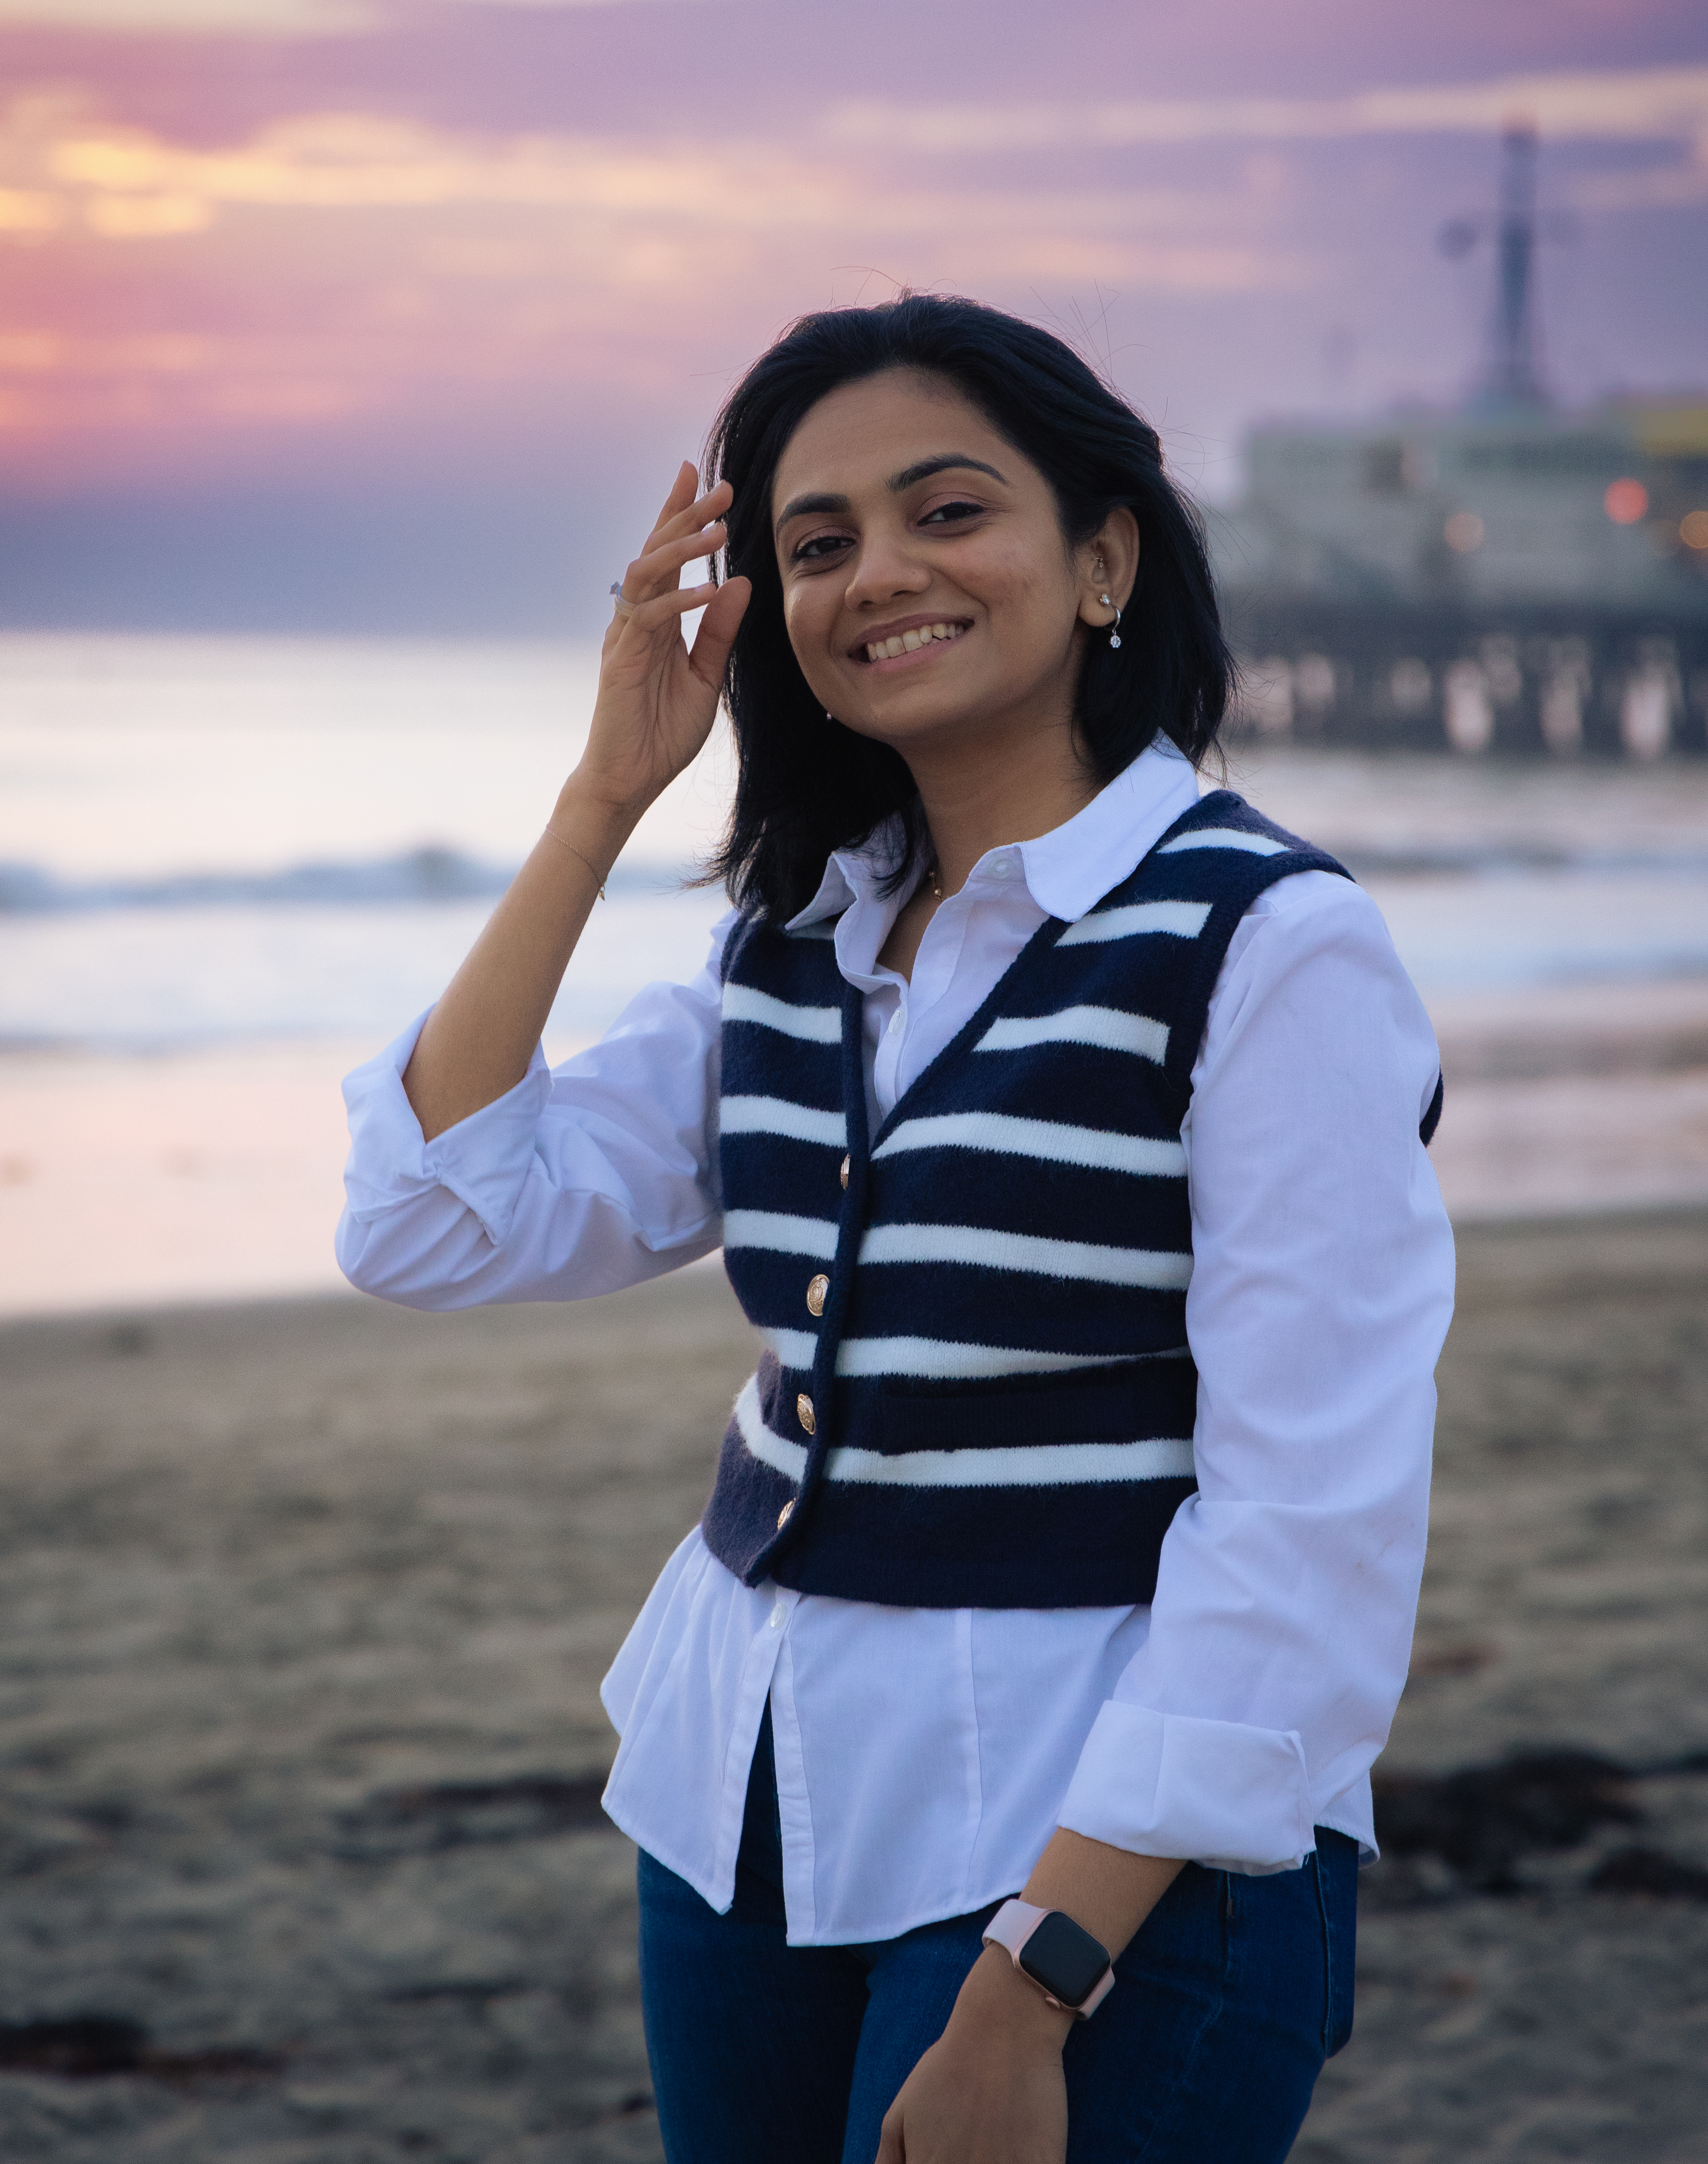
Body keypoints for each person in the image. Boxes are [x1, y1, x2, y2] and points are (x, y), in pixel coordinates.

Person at [338, 294, 1454, 2164]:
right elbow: (437, 1220)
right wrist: (606, 797)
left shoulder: (1269, 949)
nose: (881, 575)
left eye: (951, 512)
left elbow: (1313, 1529)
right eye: (816, 542)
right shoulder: (800, 940)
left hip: (1098, 1850)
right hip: (739, 1813)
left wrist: (1035, 1978)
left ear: (1105, 557)